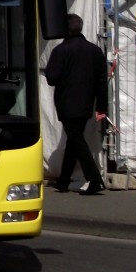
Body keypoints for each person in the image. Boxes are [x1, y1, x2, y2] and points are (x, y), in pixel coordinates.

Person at [44, 13, 108, 195]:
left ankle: (95, 180)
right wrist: (101, 107)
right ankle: (63, 181)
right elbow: (102, 81)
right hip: (87, 102)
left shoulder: (61, 50)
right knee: (74, 138)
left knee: (77, 139)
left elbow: (51, 78)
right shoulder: (95, 51)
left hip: (66, 102)